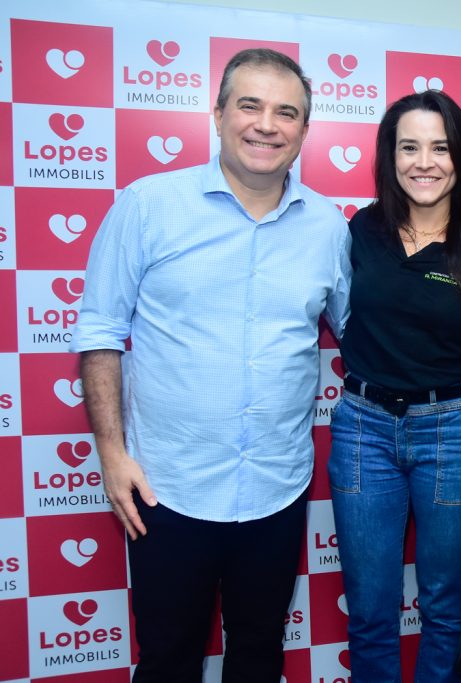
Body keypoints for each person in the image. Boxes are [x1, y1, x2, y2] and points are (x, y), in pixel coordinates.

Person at [70, 49, 352, 682]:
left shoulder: (329, 227)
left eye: (287, 113)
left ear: (305, 130)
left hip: (277, 489)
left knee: (258, 655)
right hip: (166, 488)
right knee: (168, 660)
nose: (267, 125)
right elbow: (100, 331)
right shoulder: (147, 205)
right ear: (219, 114)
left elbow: (361, 332)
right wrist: (112, 455)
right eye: (250, 106)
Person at [327, 89, 461, 683]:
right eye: (409, 147)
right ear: (390, 156)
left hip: (456, 435)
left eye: (440, 147)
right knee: (369, 609)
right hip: (364, 430)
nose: (424, 162)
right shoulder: (362, 230)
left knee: (445, 606)